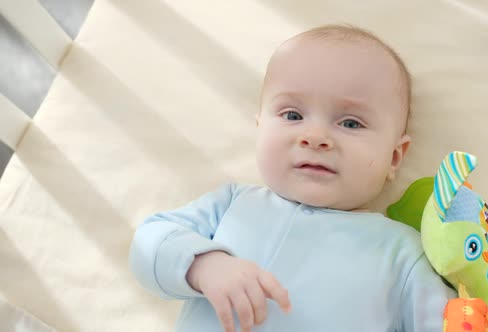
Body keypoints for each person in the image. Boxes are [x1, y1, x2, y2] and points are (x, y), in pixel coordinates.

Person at [129, 24, 456, 332]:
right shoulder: (233, 204)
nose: (315, 137)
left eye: (351, 123)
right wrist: (202, 265)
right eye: (293, 115)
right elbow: (148, 244)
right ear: (260, 128)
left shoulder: (401, 252)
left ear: (394, 157)